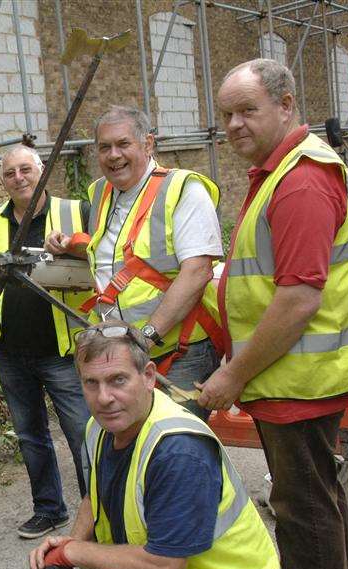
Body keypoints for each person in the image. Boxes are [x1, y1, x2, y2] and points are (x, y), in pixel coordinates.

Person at [199, 58, 348, 569]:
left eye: (246, 110)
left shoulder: (301, 180)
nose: (233, 124)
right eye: (226, 113)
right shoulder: (286, 171)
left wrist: (231, 373)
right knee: (316, 491)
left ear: (286, 105)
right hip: (301, 371)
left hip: (300, 376)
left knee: (300, 500)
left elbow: (298, 298)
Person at [27, 321, 288, 569]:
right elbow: (97, 495)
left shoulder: (177, 450)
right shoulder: (100, 427)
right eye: (92, 383)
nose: (104, 398)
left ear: (149, 376)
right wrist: (68, 546)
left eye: (118, 380)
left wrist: (72, 553)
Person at [46, 105, 223, 421]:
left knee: (175, 444)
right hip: (127, 354)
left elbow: (196, 272)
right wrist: (70, 247)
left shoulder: (182, 189)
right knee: (135, 442)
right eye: (104, 147)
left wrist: (147, 336)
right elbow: (118, 257)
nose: (113, 155)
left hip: (180, 352)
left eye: (123, 144)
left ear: (148, 144)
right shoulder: (102, 191)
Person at [0, 144, 92, 539]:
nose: (18, 177)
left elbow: (101, 254)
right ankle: (49, 510)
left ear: (41, 170)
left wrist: (72, 246)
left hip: (63, 350)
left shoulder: (72, 211)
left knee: (83, 434)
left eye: (25, 169)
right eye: (10, 172)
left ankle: (96, 514)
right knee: (31, 436)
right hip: (10, 349)